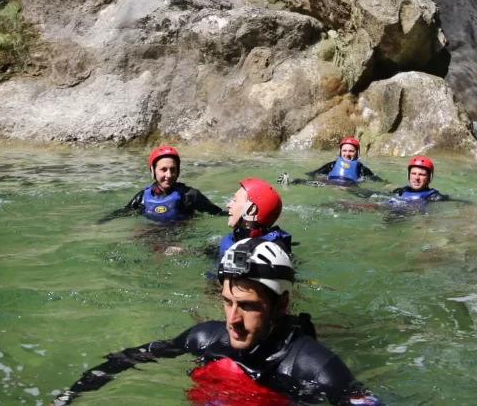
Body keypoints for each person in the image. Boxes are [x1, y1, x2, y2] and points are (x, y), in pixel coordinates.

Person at [51, 238, 381, 406]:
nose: (232, 320)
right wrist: (68, 397)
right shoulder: (205, 339)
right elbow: (127, 359)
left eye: (248, 306)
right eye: (227, 302)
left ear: (282, 304)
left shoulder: (316, 368)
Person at [98, 146, 224, 223]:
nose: (169, 175)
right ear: (153, 171)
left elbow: (217, 213)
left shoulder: (190, 196)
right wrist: (96, 224)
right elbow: (121, 213)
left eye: (173, 169)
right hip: (152, 235)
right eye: (163, 170)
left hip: (180, 238)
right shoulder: (142, 198)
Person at [218, 178, 293, 257]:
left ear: (251, 210)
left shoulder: (270, 253)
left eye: (235, 200)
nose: (228, 205)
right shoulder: (233, 238)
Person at [304, 137, 380, 185]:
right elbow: (313, 173)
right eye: (344, 151)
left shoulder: (361, 169)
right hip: (330, 185)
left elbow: (377, 180)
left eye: (351, 151)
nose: (347, 154)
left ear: (357, 153)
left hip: (350, 189)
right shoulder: (332, 165)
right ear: (340, 152)